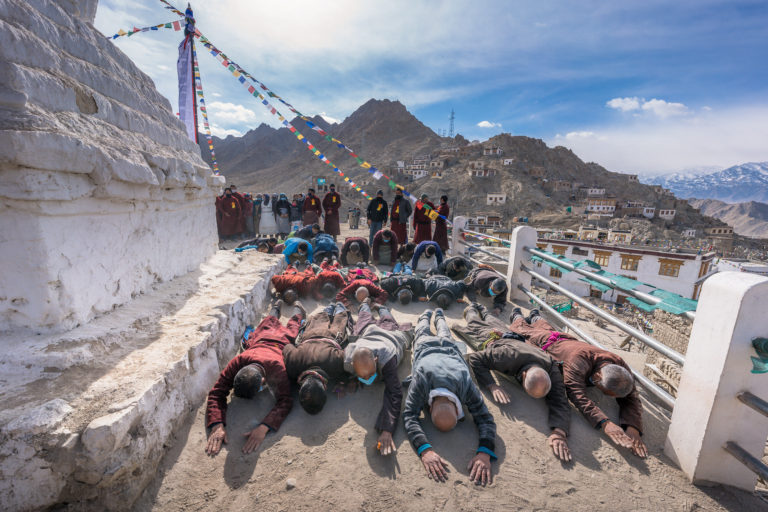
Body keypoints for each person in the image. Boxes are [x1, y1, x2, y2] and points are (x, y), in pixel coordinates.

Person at [511, 308, 646, 458]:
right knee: (523, 329)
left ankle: (535, 316)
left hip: (566, 340)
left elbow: (631, 394)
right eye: (606, 392)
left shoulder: (617, 362)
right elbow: (575, 393)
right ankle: (517, 314)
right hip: (548, 343)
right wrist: (605, 423)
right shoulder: (577, 362)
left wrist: (633, 427)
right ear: (597, 377)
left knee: (546, 327)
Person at [457, 303, 572, 462]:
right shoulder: (505, 357)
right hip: (496, 338)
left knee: (493, 320)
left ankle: (484, 309)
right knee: (475, 323)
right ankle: (472, 309)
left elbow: (559, 398)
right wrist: (492, 385)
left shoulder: (550, 365)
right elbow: (476, 359)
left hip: (510, 336)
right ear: (523, 374)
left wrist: (559, 432)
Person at [403, 308, 497, 485]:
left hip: (442, 349)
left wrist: (485, 451)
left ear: (430, 408)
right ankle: (433, 316)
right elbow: (484, 418)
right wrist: (425, 450)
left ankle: (430, 316)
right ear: (457, 406)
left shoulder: (461, 382)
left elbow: (410, 416)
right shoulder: (426, 380)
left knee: (427, 331)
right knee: (428, 331)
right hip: (435, 348)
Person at [204, 298, 303, 456]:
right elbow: (217, 392)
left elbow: (286, 400)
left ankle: (297, 310)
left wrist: (264, 427)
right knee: (270, 320)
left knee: (293, 326)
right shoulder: (238, 361)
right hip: (261, 338)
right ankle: (277, 306)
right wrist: (217, 423)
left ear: (264, 381)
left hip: (281, 342)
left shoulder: (277, 367)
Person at [345, 299, 414, 455]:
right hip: (369, 333)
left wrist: (387, 429)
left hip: (393, 336)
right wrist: (347, 381)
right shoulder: (348, 357)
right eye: (362, 376)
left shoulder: (387, 358)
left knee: (388, 319)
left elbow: (394, 393)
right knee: (363, 319)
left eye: (370, 374)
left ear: (376, 361)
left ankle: (381, 307)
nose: (368, 379)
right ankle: (364, 303)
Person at [283, 303, 351, 414]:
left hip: (332, 335)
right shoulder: (293, 364)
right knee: (324, 316)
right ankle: (335, 305)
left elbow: (348, 356)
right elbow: (287, 347)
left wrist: (341, 385)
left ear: (325, 386)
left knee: (339, 318)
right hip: (311, 333)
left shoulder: (335, 364)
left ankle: (338, 306)